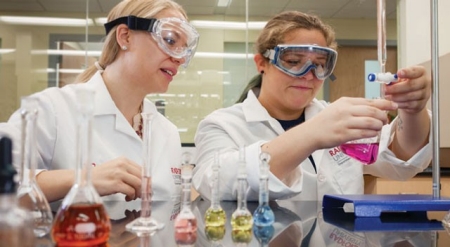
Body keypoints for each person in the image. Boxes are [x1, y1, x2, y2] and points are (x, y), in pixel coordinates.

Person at [192, 10, 432, 201]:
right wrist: (312, 134)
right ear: (261, 63)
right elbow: (215, 183)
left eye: (319, 65)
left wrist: (412, 109)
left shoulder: (336, 117)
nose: (308, 75)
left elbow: (403, 160)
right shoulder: (222, 124)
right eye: (294, 62)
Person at [0, 0, 199, 203]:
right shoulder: (53, 109)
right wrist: (83, 180)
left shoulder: (168, 132)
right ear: (125, 36)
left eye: (184, 49)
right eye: (170, 40)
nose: (180, 59)